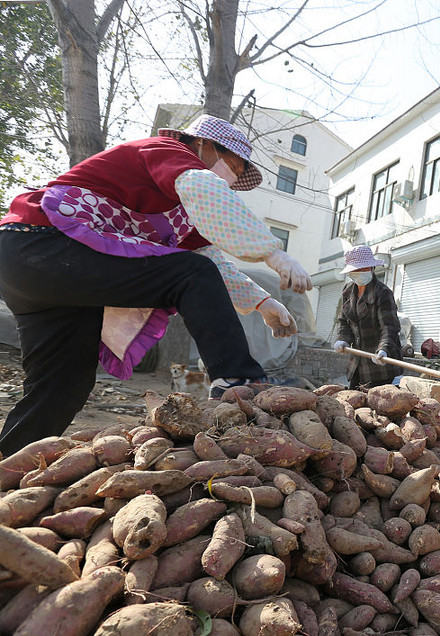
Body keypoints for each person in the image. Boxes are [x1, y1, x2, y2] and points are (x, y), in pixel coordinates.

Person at [0, 114, 312, 455]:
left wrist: (263, 303)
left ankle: (11, 464)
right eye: (233, 166)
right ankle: (238, 383)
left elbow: (211, 262)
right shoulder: (167, 150)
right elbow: (201, 213)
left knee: (61, 385)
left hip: (27, 265)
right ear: (203, 144)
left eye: (236, 175)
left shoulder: (180, 210)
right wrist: (273, 254)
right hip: (42, 241)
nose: (232, 178)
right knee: (191, 271)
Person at [333, 245, 402, 388]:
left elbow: (389, 327)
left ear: (371, 268)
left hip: (380, 366)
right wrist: (342, 339)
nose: (359, 272)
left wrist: (384, 349)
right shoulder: (348, 291)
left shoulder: (382, 293)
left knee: (377, 404)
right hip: (357, 363)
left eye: (363, 269)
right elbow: (344, 321)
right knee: (353, 401)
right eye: (355, 270)